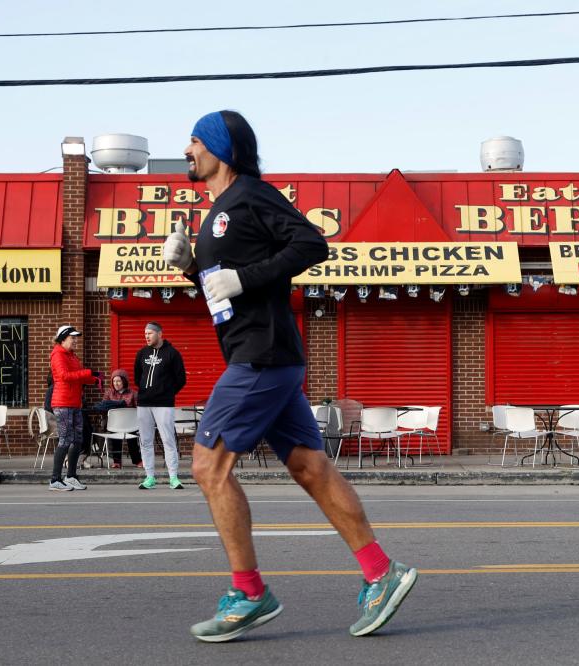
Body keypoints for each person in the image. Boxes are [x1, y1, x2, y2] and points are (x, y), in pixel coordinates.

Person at [162, 110, 417, 643]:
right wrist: (190, 267)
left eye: (193, 141)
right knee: (310, 468)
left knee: (208, 466)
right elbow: (226, 285)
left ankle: (249, 593)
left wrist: (243, 276)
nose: (186, 150)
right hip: (266, 357)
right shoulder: (220, 211)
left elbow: (310, 244)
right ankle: (380, 572)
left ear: (219, 148)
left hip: (260, 357)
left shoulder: (251, 194)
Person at [133, 322, 187, 489]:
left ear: (159, 334)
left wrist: (167, 392)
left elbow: (181, 379)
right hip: (144, 404)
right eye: (145, 334)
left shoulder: (172, 353)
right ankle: (149, 477)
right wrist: (145, 391)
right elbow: (137, 377)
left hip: (164, 404)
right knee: (146, 441)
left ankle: (173, 478)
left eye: (149, 333)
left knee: (168, 440)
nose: (146, 336)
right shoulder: (142, 353)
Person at [48, 325, 100, 491]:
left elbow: (78, 377)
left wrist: (94, 378)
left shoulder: (72, 356)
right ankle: (55, 480)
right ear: (63, 338)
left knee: (77, 440)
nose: (75, 340)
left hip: (75, 403)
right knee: (65, 440)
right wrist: (86, 373)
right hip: (63, 404)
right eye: (73, 337)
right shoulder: (58, 355)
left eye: (76, 337)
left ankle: (71, 476)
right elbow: (64, 376)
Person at [96, 369, 141, 468]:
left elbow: (139, 408)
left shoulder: (133, 393)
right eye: (114, 381)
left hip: (130, 424)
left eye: (119, 381)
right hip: (114, 424)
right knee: (114, 436)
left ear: (124, 381)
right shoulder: (109, 393)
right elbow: (102, 408)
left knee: (132, 439)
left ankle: (137, 460)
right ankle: (117, 461)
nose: (116, 383)